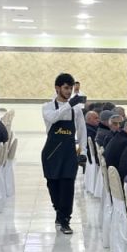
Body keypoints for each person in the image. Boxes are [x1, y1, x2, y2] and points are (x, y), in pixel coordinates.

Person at [41, 72, 86, 234]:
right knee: (53, 186)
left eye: (71, 88)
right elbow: (53, 118)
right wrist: (69, 105)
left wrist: (83, 151)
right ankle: (59, 212)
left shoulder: (76, 110)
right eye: (66, 88)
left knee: (68, 187)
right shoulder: (47, 107)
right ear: (57, 88)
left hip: (69, 153)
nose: (69, 91)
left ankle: (65, 220)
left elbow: (82, 130)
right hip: (51, 154)